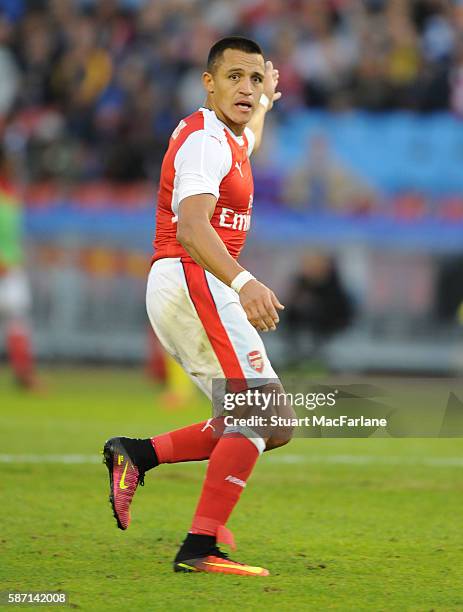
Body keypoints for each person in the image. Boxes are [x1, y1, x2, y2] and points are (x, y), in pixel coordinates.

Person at [103, 37, 295, 577]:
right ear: (207, 83)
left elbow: (248, 139)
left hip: (188, 283)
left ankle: (137, 454)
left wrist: (264, 108)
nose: (247, 88)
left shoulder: (230, 138)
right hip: (195, 278)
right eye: (234, 77)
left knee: (266, 424)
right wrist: (245, 281)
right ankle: (200, 546)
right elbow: (191, 227)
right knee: (263, 415)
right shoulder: (205, 142)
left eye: (255, 79)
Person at [0, 145, 37, 389]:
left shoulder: (11, 194)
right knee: (17, 321)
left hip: (12, 266)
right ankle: (24, 375)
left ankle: (23, 374)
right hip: (5, 267)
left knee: (17, 322)